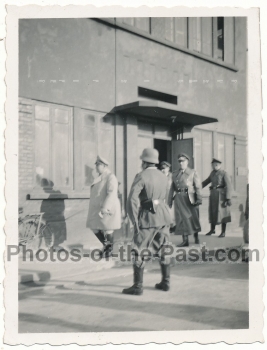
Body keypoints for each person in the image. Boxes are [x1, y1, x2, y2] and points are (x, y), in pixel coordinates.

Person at [122, 148, 172, 296]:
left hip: (147, 217)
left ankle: (138, 286)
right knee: (164, 248)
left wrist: (133, 219)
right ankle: (166, 282)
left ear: (144, 162)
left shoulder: (141, 176)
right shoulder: (164, 176)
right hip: (163, 217)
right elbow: (166, 197)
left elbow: (132, 200)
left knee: (138, 249)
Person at [86, 155, 121, 258]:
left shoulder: (110, 177)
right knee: (94, 227)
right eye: (96, 165)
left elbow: (111, 193)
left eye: (98, 165)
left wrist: (105, 207)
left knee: (108, 228)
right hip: (98, 208)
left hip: (108, 207)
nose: (96, 167)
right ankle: (106, 247)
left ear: (104, 166)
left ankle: (108, 250)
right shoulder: (99, 177)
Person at [168, 153, 202, 247]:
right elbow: (172, 188)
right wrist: (169, 200)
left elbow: (198, 186)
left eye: (183, 161)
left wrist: (199, 199)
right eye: (179, 161)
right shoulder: (175, 174)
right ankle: (185, 240)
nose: (181, 163)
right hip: (179, 198)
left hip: (190, 198)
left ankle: (196, 236)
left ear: (187, 162)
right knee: (181, 219)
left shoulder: (192, 172)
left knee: (193, 218)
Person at [202, 158, 232, 238]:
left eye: (216, 165)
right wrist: (197, 187)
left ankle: (223, 232)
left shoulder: (224, 173)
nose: (214, 166)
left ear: (220, 165)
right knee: (213, 211)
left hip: (221, 196)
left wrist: (228, 198)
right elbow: (206, 181)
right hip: (213, 195)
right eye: (213, 165)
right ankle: (212, 229)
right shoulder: (212, 173)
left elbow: (229, 186)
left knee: (222, 213)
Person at [159, 161, 176, 233]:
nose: (163, 170)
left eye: (164, 168)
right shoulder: (159, 176)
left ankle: (172, 226)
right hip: (162, 196)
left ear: (168, 168)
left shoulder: (172, 176)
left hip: (169, 195)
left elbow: (175, 186)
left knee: (170, 211)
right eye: (162, 168)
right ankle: (164, 226)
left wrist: (174, 195)